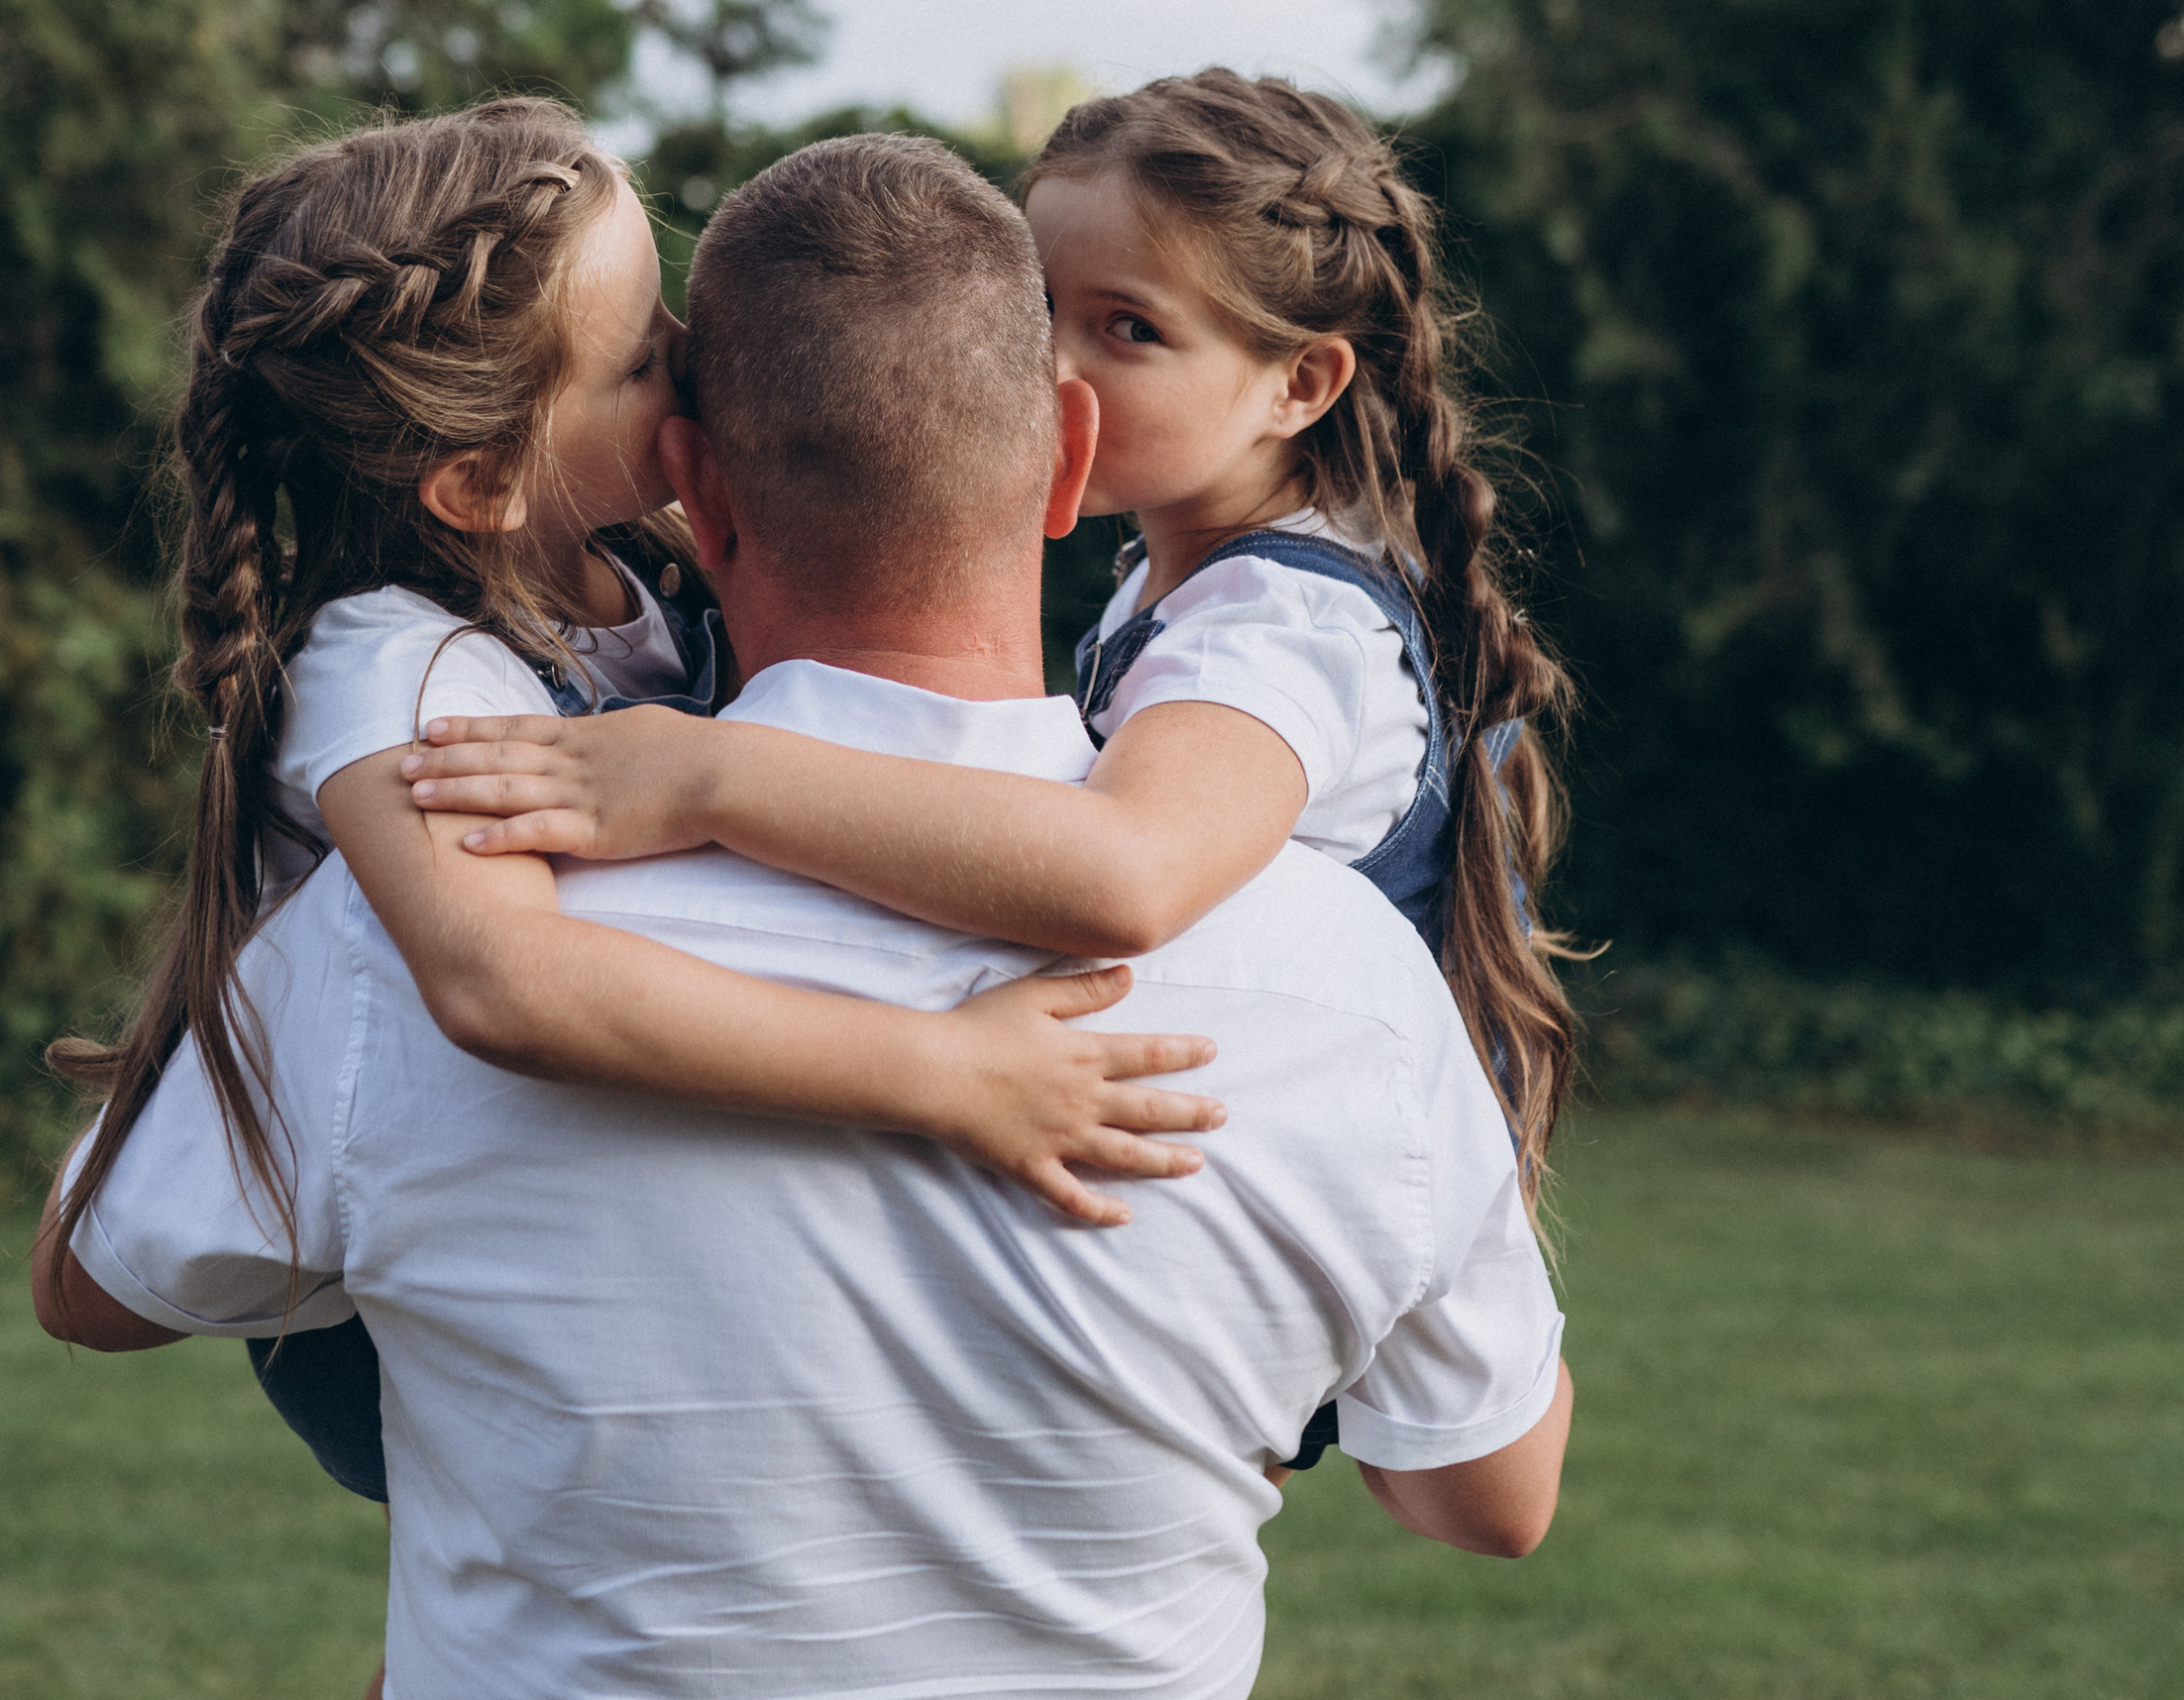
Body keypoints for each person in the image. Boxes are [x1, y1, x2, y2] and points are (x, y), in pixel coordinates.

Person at [40, 131, 1571, 1700]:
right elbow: (1486, 1494)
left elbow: (98, 1276)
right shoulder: (1326, 976)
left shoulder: (424, 884)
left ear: (684, 465)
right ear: (1062, 453)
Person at [40, 99, 1222, 1700]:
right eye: (641, 352)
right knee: (469, 1660)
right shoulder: (388, 666)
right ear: (475, 473)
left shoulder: (607, 599)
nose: (689, 369)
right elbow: (510, 994)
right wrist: (939, 1075)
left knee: (526, 1638)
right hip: (341, 1327)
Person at [401, 68, 1575, 1336]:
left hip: (1304, 1191)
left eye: (1128, 328)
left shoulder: (1285, 634)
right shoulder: (1187, 580)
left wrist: (701, 778)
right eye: (1041, 305)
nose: (1045, 360)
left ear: (1302, 384)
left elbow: (1123, 874)